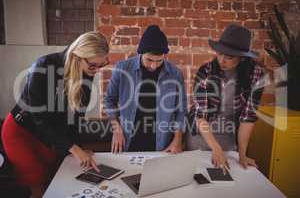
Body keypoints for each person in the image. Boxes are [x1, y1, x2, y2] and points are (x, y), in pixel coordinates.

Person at [1, 31, 110, 197]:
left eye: (101, 65)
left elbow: (76, 117)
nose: (97, 70)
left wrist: (78, 148)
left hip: (52, 132)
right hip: (22, 132)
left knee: (56, 178)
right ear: (78, 56)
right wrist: (73, 148)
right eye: (93, 65)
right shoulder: (44, 66)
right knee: (39, 186)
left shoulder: (87, 71)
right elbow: (40, 120)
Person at [188, 24, 264, 173]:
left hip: (228, 136)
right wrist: (216, 149)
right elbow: (200, 116)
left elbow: (247, 118)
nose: (222, 60)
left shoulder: (255, 75)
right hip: (200, 135)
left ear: (242, 58)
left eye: (229, 57)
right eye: (220, 54)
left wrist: (242, 155)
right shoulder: (206, 72)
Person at [104, 25, 187, 153]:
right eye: (149, 60)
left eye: (159, 61)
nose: (153, 66)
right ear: (140, 52)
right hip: (128, 140)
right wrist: (117, 130)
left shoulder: (175, 74)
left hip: (162, 143)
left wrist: (177, 140)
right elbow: (110, 100)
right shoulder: (122, 69)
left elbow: (180, 111)